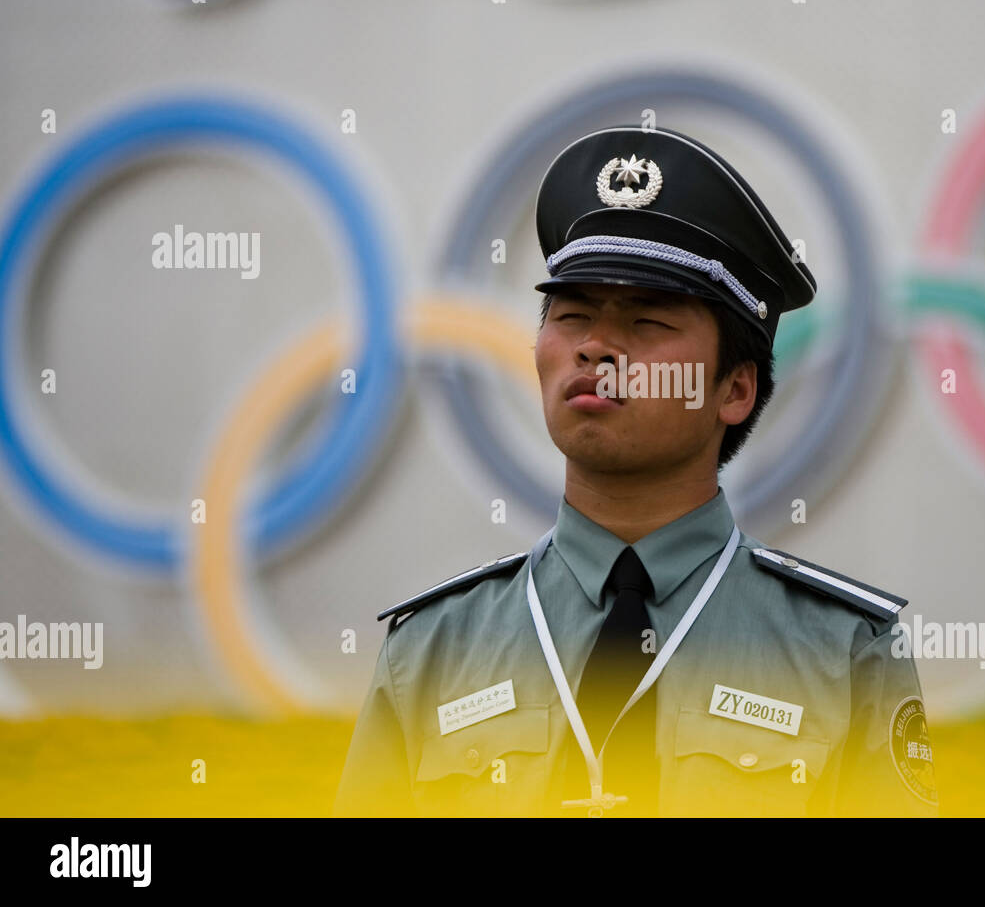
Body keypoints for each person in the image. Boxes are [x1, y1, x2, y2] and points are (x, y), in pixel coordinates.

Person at [334, 125, 938, 817]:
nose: (594, 346)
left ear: (734, 390)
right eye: (572, 314)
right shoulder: (434, 646)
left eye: (647, 322)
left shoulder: (843, 647)